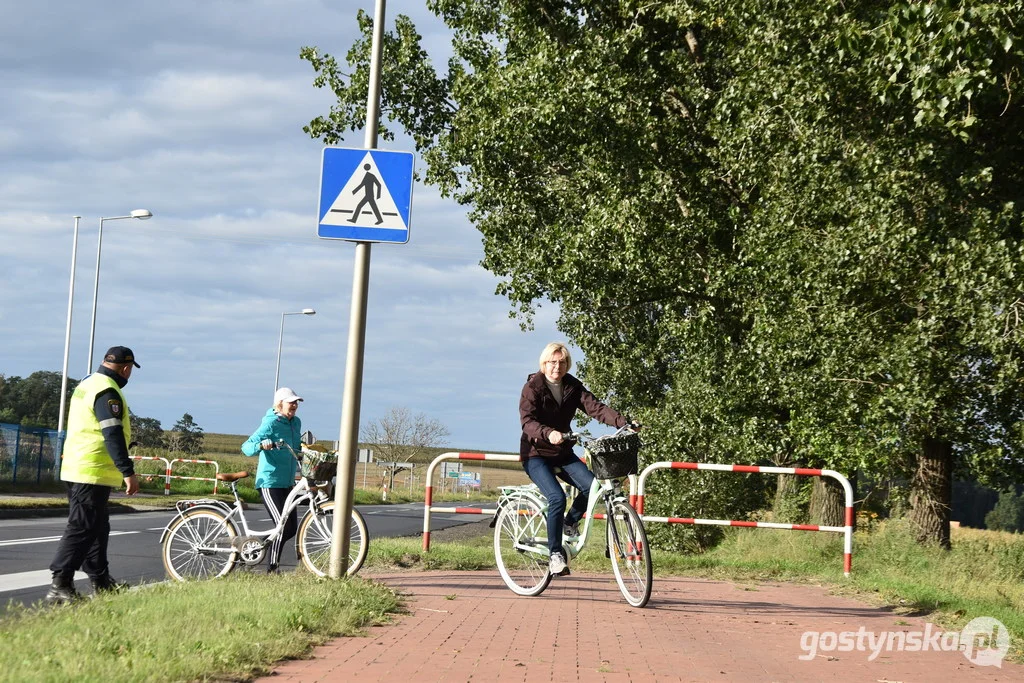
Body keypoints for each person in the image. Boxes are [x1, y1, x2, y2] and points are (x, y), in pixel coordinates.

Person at [519, 342, 630, 576]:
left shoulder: (572, 386)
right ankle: (555, 555)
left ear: (567, 365)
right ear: (544, 363)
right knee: (556, 497)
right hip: (536, 454)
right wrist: (548, 432)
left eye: (561, 362)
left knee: (594, 487)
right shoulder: (533, 387)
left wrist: (623, 422)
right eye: (552, 362)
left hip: (562, 452)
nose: (556, 367)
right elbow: (527, 421)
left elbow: (595, 407)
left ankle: (570, 522)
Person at [46, 346, 141, 604]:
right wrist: (127, 471)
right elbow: (112, 434)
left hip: (79, 466)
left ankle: (100, 580)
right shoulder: (107, 391)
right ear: (126, 368)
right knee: (82, 526)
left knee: (98, 527)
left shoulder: (87, 383)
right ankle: (60, 584)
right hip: (91, 470)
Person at [241, 386, 304, 573]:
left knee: (291, 528)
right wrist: (262, 445)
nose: (294, 405)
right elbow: (246, 447)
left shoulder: (296, 422)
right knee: (282, 526)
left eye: (296, 402)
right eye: (291, 402)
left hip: (287, 482)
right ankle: (273, 569)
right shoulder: (270, 423)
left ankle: (257, 544)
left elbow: (297, 447)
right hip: (270, 481)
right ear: (279, 404)